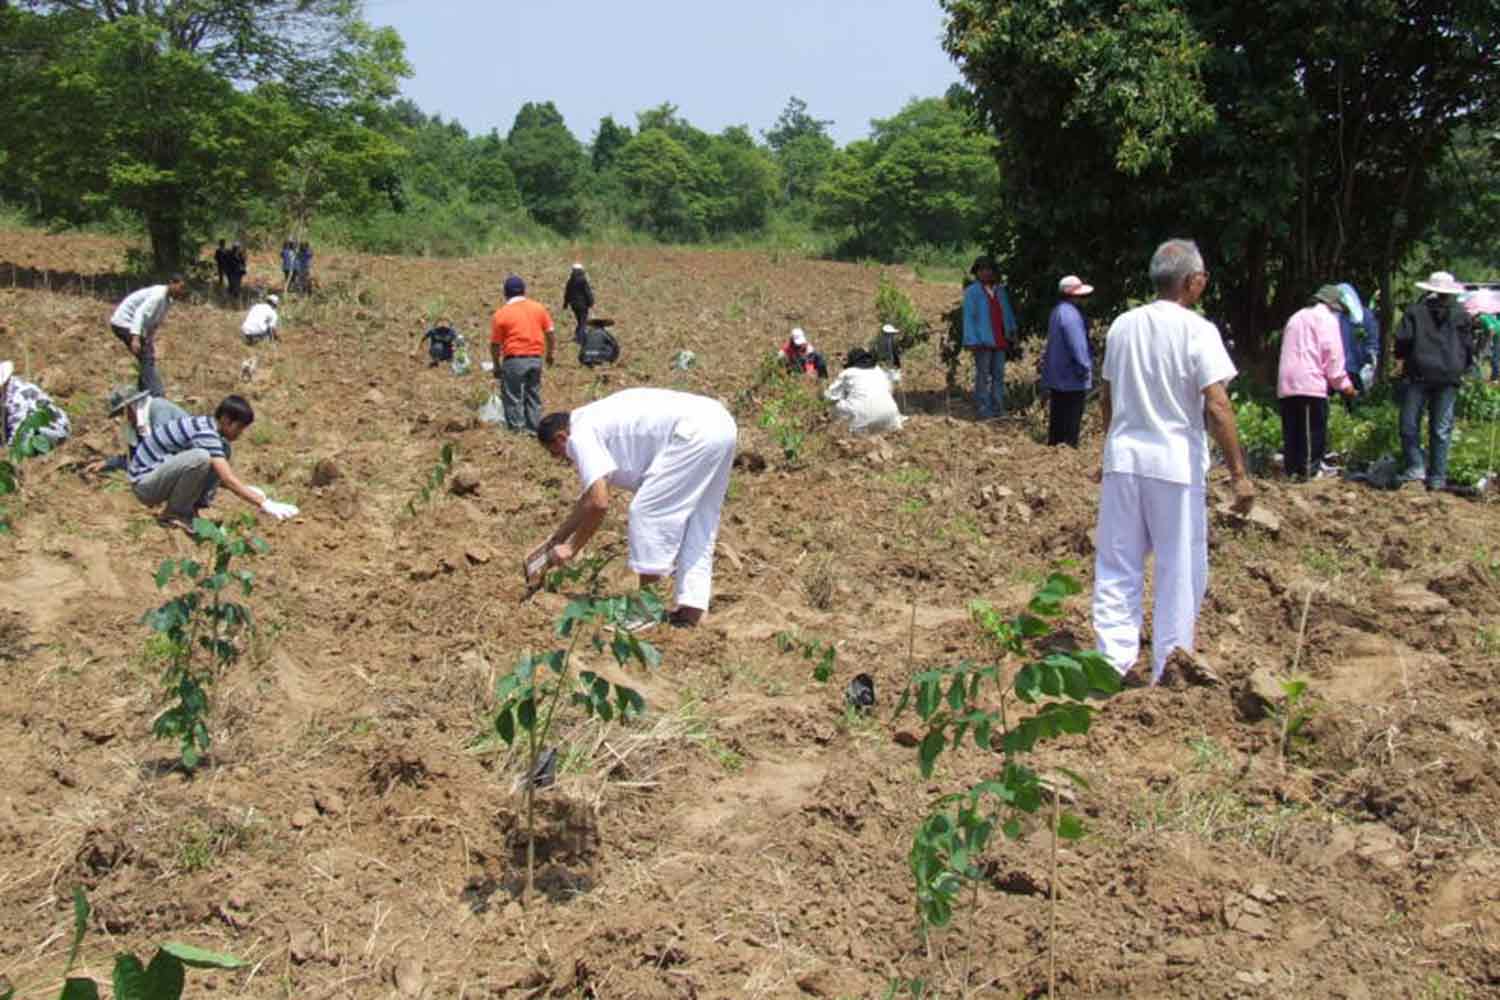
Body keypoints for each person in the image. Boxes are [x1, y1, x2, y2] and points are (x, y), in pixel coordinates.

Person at [1092, 238, 1254, 685]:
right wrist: (1239, 473)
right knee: (1178, 566)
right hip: (1174, 464)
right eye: (1202, 277)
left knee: (1117, 563)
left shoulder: (1123, 325)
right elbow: (1217, 405)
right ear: (1191, 281)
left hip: (1124, 460)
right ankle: (1171, 663)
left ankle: (1111, 661)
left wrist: (1109, 446)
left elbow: (1108, 395)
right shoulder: (1197, 331)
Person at [534, 388, 737, 628]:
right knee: (700, 518)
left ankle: (645, 611)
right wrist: (556, 538)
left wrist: (571, 547)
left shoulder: (579, 436)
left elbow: (599, 503)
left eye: (554, 454)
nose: (561, 460)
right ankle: (692, 611)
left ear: (560, 438)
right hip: (720, 422)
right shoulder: (593, 419)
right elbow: (589, 498)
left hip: (693, 433)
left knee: (646, 512)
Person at [127, 395, 297, 530]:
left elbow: (220, 473)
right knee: (200, 458)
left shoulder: (208, 429)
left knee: (216, 455)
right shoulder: (205, 432)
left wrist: (247, 490)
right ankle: (175, 513)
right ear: (225, 420)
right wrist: (263, 503)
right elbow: (227, 478)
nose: (240, 434)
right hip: (145, 486)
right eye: (238, 428)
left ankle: (192, 508)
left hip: (155, 477)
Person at [1394, 270, 1474, 490]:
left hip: (1418, 374)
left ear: (1429, 289)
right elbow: (1468, 347)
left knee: (1410, 425)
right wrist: (1464, 368)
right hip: (1449, 376)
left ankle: (1416, 468)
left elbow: (1402, 341)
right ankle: (1437, 477)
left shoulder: (1415, 312)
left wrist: (1401, 358)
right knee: (1441, 429)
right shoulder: (1461, 315)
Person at [1277, 286, 1356, 479]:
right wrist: (1345, 386)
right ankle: (1308, 473)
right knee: (1312, 434)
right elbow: (1333, 358)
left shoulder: (1295, 317)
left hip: (1287, 384)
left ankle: (1292, 472)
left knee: (1292, 433)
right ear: (1333, 306)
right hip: (1310, 384)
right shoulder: (1327, 320)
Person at [489, 274, 555, 433]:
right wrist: (550, 354)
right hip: (535, 358)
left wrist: (497, 365)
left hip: (514, 360)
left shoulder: (501, 314)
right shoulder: (539, 308)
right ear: (524, 291)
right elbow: (550, 333)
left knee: (513, 397)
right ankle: (534, 429)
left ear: (505, 293)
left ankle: (517, 432)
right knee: (533, 395)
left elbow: (495, 345)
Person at [109, 277, 186, 398]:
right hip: (123, 322)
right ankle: (155, 394)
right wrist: (135, 338)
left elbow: (155, 321)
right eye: (180, 287)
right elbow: (140, 313)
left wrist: (149, 337)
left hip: (133, 325)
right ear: (171, 283)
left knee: (146, 356)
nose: (181, 292)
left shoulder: (167, 300)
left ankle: (144, 391)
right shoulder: (158, 296)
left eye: (184, 289)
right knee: (146, 356)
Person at [961, 255, 1017, 420]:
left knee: (998, 374)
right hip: (982, 340)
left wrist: (1012, 330)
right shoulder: (972, 292)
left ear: (994, 272)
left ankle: (997, 407)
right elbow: (969, 317)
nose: (985, 273)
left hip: (999, 338)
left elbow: (1007, 312)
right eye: (981, 270)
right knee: (983, 375)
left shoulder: (1000, 291)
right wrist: (971, 339)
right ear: (977, 273)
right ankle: (983, 408)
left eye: (989, 270)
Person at [1041, 274, 1095, 447]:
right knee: (1070, 424)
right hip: (1072, 378)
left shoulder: (1057, 311)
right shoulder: (1071, 315)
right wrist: (1086, 367)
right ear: (1073, 296)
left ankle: (1054, 450)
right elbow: (1078, 346)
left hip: (1057, 377)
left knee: (1057, 421)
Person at [92, 384, 190, 474]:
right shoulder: (138, 425)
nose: (124, 418)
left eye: (123, 413)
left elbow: (160, 451)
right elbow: (137, 458)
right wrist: (109, 463)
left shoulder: (158, 409)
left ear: (131, 407)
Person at [825, 348, 904, 434]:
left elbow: (830, 396)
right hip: (891, 417)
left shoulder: (848, 373)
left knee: (834, 406)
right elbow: (890, 391)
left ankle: (843, 430)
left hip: (861, 418)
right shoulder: (879, 370)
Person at [0, 360, 70, 450]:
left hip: (54, 430)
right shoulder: (8, 389)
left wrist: (7, 451)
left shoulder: (19, 397)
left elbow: (18, 434)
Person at [562, 263, 594, 344]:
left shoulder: (570, 281)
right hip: (583, 305)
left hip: (574, 305)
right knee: (583, 322)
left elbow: (567, 293)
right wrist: (591, 302)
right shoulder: (583, 280)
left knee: (580, 321)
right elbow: (587, 292)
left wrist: (565, 304)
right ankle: (580, 338)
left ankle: (577, 335)